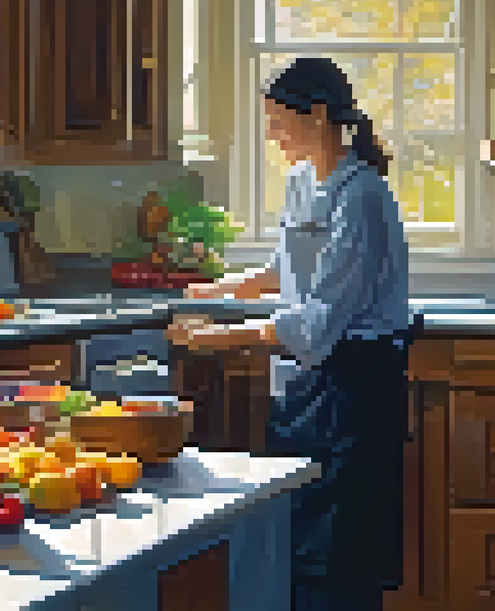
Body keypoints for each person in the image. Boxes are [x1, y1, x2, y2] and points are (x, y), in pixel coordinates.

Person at [167, 57, 413, 611]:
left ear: (319, 114)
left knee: (341, 559)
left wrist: (214, 341)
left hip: (356, 389)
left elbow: (317, 322)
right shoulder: (304, 180)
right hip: (304, 389)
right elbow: (287, 270)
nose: (272, 134)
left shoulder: (363, 198)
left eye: (279, 121)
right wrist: (220, 290)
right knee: (296, 544)